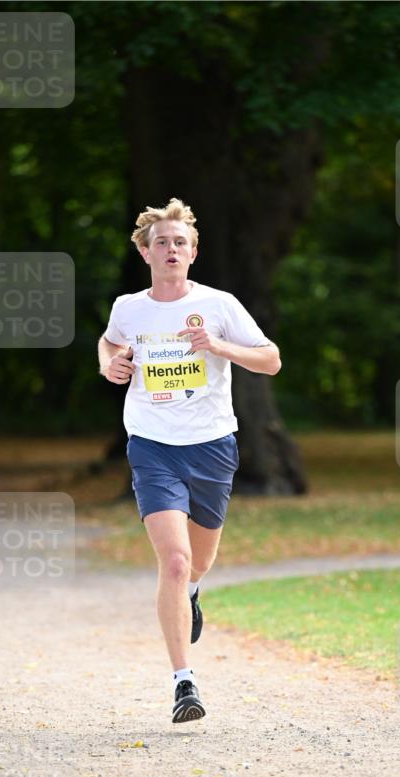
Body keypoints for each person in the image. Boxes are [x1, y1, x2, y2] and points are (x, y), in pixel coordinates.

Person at [98, 198, 281, 722]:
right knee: (174, 561)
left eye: (180, 242)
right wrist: (110, 365)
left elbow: (271, 360)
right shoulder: (128, 308)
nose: (171, 249)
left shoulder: (219, 305)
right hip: (151, 445)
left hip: (211, 446)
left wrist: (219, 347)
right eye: (161, 242)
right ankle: (184, 682)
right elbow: (109, 344)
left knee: (196, 564)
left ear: (193, 252)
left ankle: (193, 593)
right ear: (145, 252)